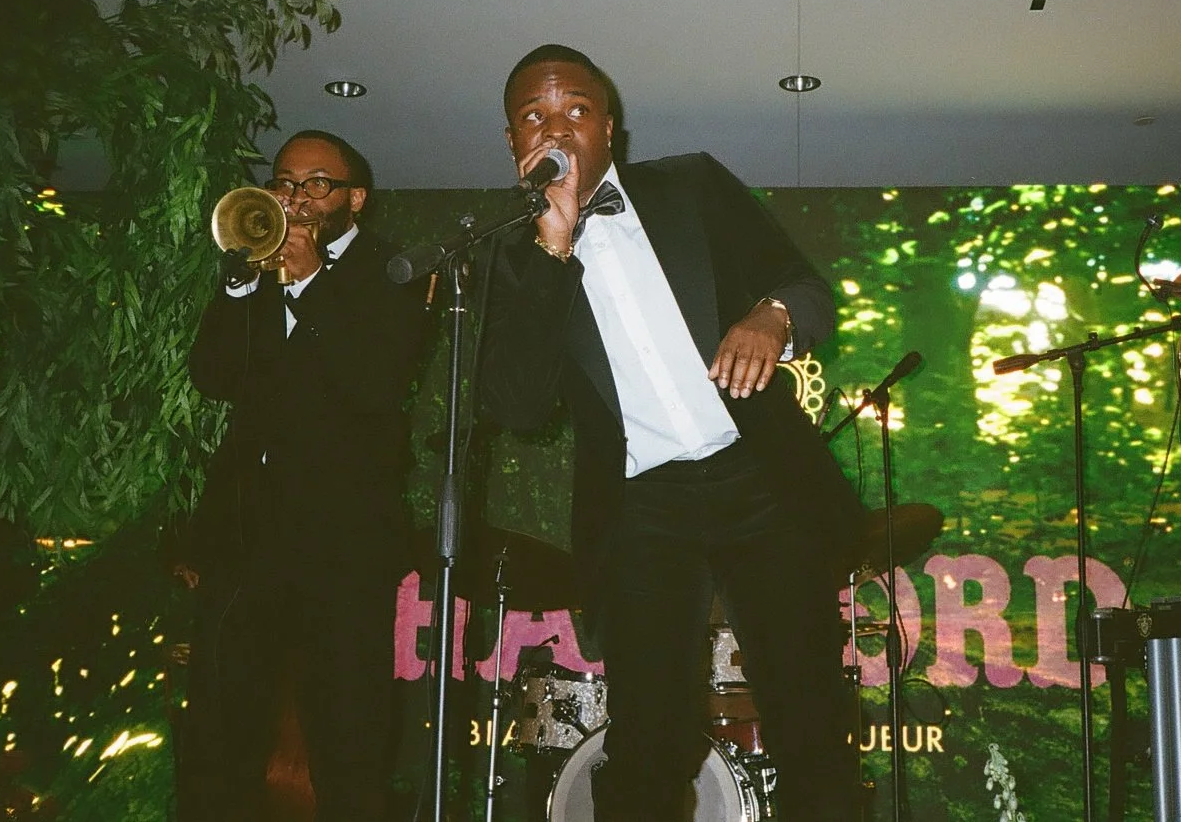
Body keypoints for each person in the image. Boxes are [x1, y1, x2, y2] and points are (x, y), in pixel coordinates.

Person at [481, 44, 864, 821]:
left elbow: (807, 289)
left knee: (809, 719)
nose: (556, 127)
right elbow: (518, 407)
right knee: (646, 740)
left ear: (609, 126)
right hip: (641, 508)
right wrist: (551, 248)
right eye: (534, 115)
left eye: (575, 109)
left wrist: (772, 316)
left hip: (758, 479)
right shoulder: (508, 257)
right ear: (513, 141)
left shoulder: (690, 184)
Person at [177, 129, 435, 821]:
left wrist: (312, 282)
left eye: (317, 184)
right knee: (219, 734)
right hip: (245, 538)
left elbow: (373, 385)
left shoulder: (396, 271)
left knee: (347, 736)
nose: (296, 198)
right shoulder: (257, 267)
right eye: (285, 183)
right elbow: (214, 377)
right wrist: (240, 284)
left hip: (343, 545)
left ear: (356, 197)